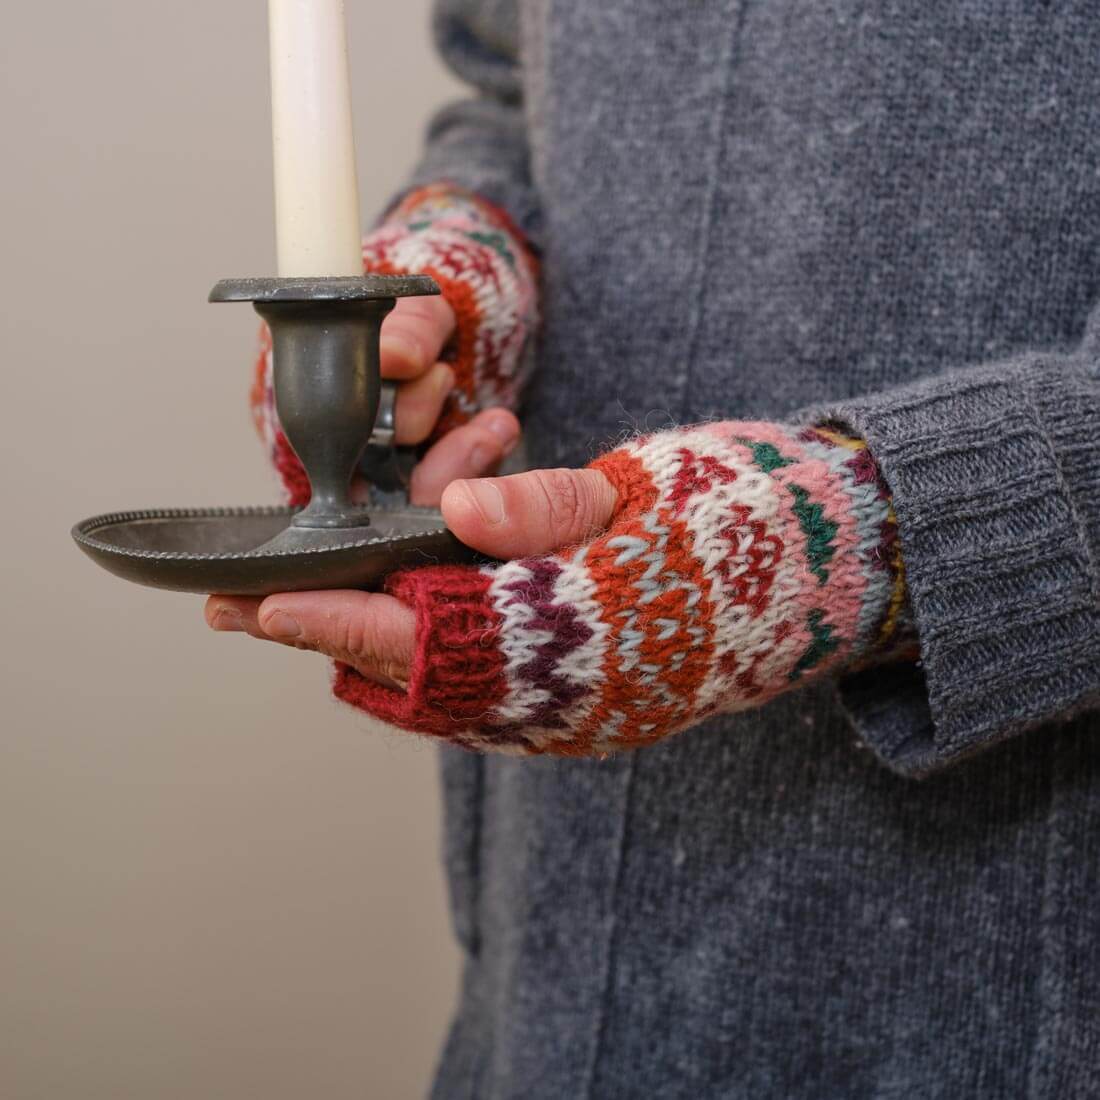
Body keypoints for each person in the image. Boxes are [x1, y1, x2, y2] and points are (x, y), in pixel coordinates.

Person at [207, 3, 1100, 1096]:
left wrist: (858, 532)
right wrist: (460, 272)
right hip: (554, 942)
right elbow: (505, 94)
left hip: (997, 937)